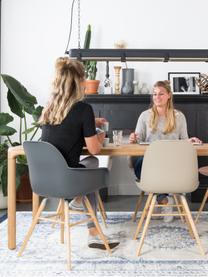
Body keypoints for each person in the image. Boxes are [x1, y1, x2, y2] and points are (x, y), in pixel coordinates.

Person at [38, 57, 119, 249]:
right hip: (68, 180)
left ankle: (78, 200)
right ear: (78, 82)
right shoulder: (83, 109)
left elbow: (65, 129)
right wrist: (101, 133)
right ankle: (91, 229)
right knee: (94, 166)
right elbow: (94, 149)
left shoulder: (49, 107)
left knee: (87, 167)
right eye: (83, 78)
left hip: (44, 179)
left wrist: (92, 122)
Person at [129, 80, 202, 222]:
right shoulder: (145, 116)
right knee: (139, 166)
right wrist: (133, 139)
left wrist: (190, 141)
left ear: (169, 95)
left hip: (173, 163)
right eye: (154, 94)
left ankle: (158, 198)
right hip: (151, 162)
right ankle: (164, 201)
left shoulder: (178, 116)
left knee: (144, 168)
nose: (157, 97)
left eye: (161, 94)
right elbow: (138, 141)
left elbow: (184, 141)